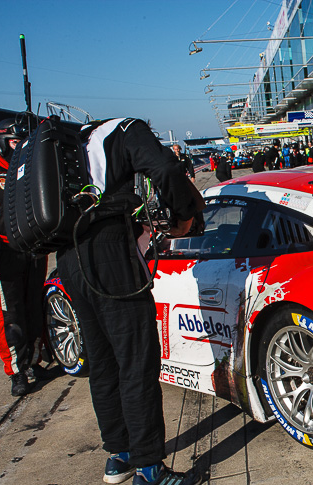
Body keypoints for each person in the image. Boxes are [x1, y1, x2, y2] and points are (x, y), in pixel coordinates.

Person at [55, 117, 202, 484]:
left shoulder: (72, 142)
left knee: (103, 363)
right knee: (137, 362)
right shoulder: (126, 130)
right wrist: (185, 216)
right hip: (110, 254)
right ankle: (150, 469)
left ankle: (118, 458)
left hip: (68, 257)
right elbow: (165, 168)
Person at [0, 118, 50, 397]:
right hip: (2, 253)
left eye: (23, 141)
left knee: (34, 308)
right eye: (13, 140)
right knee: (10, 316)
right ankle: (17, 372)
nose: (19, 145)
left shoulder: (30, 171)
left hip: (33, 250)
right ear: (0, 141)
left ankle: (34, 362)